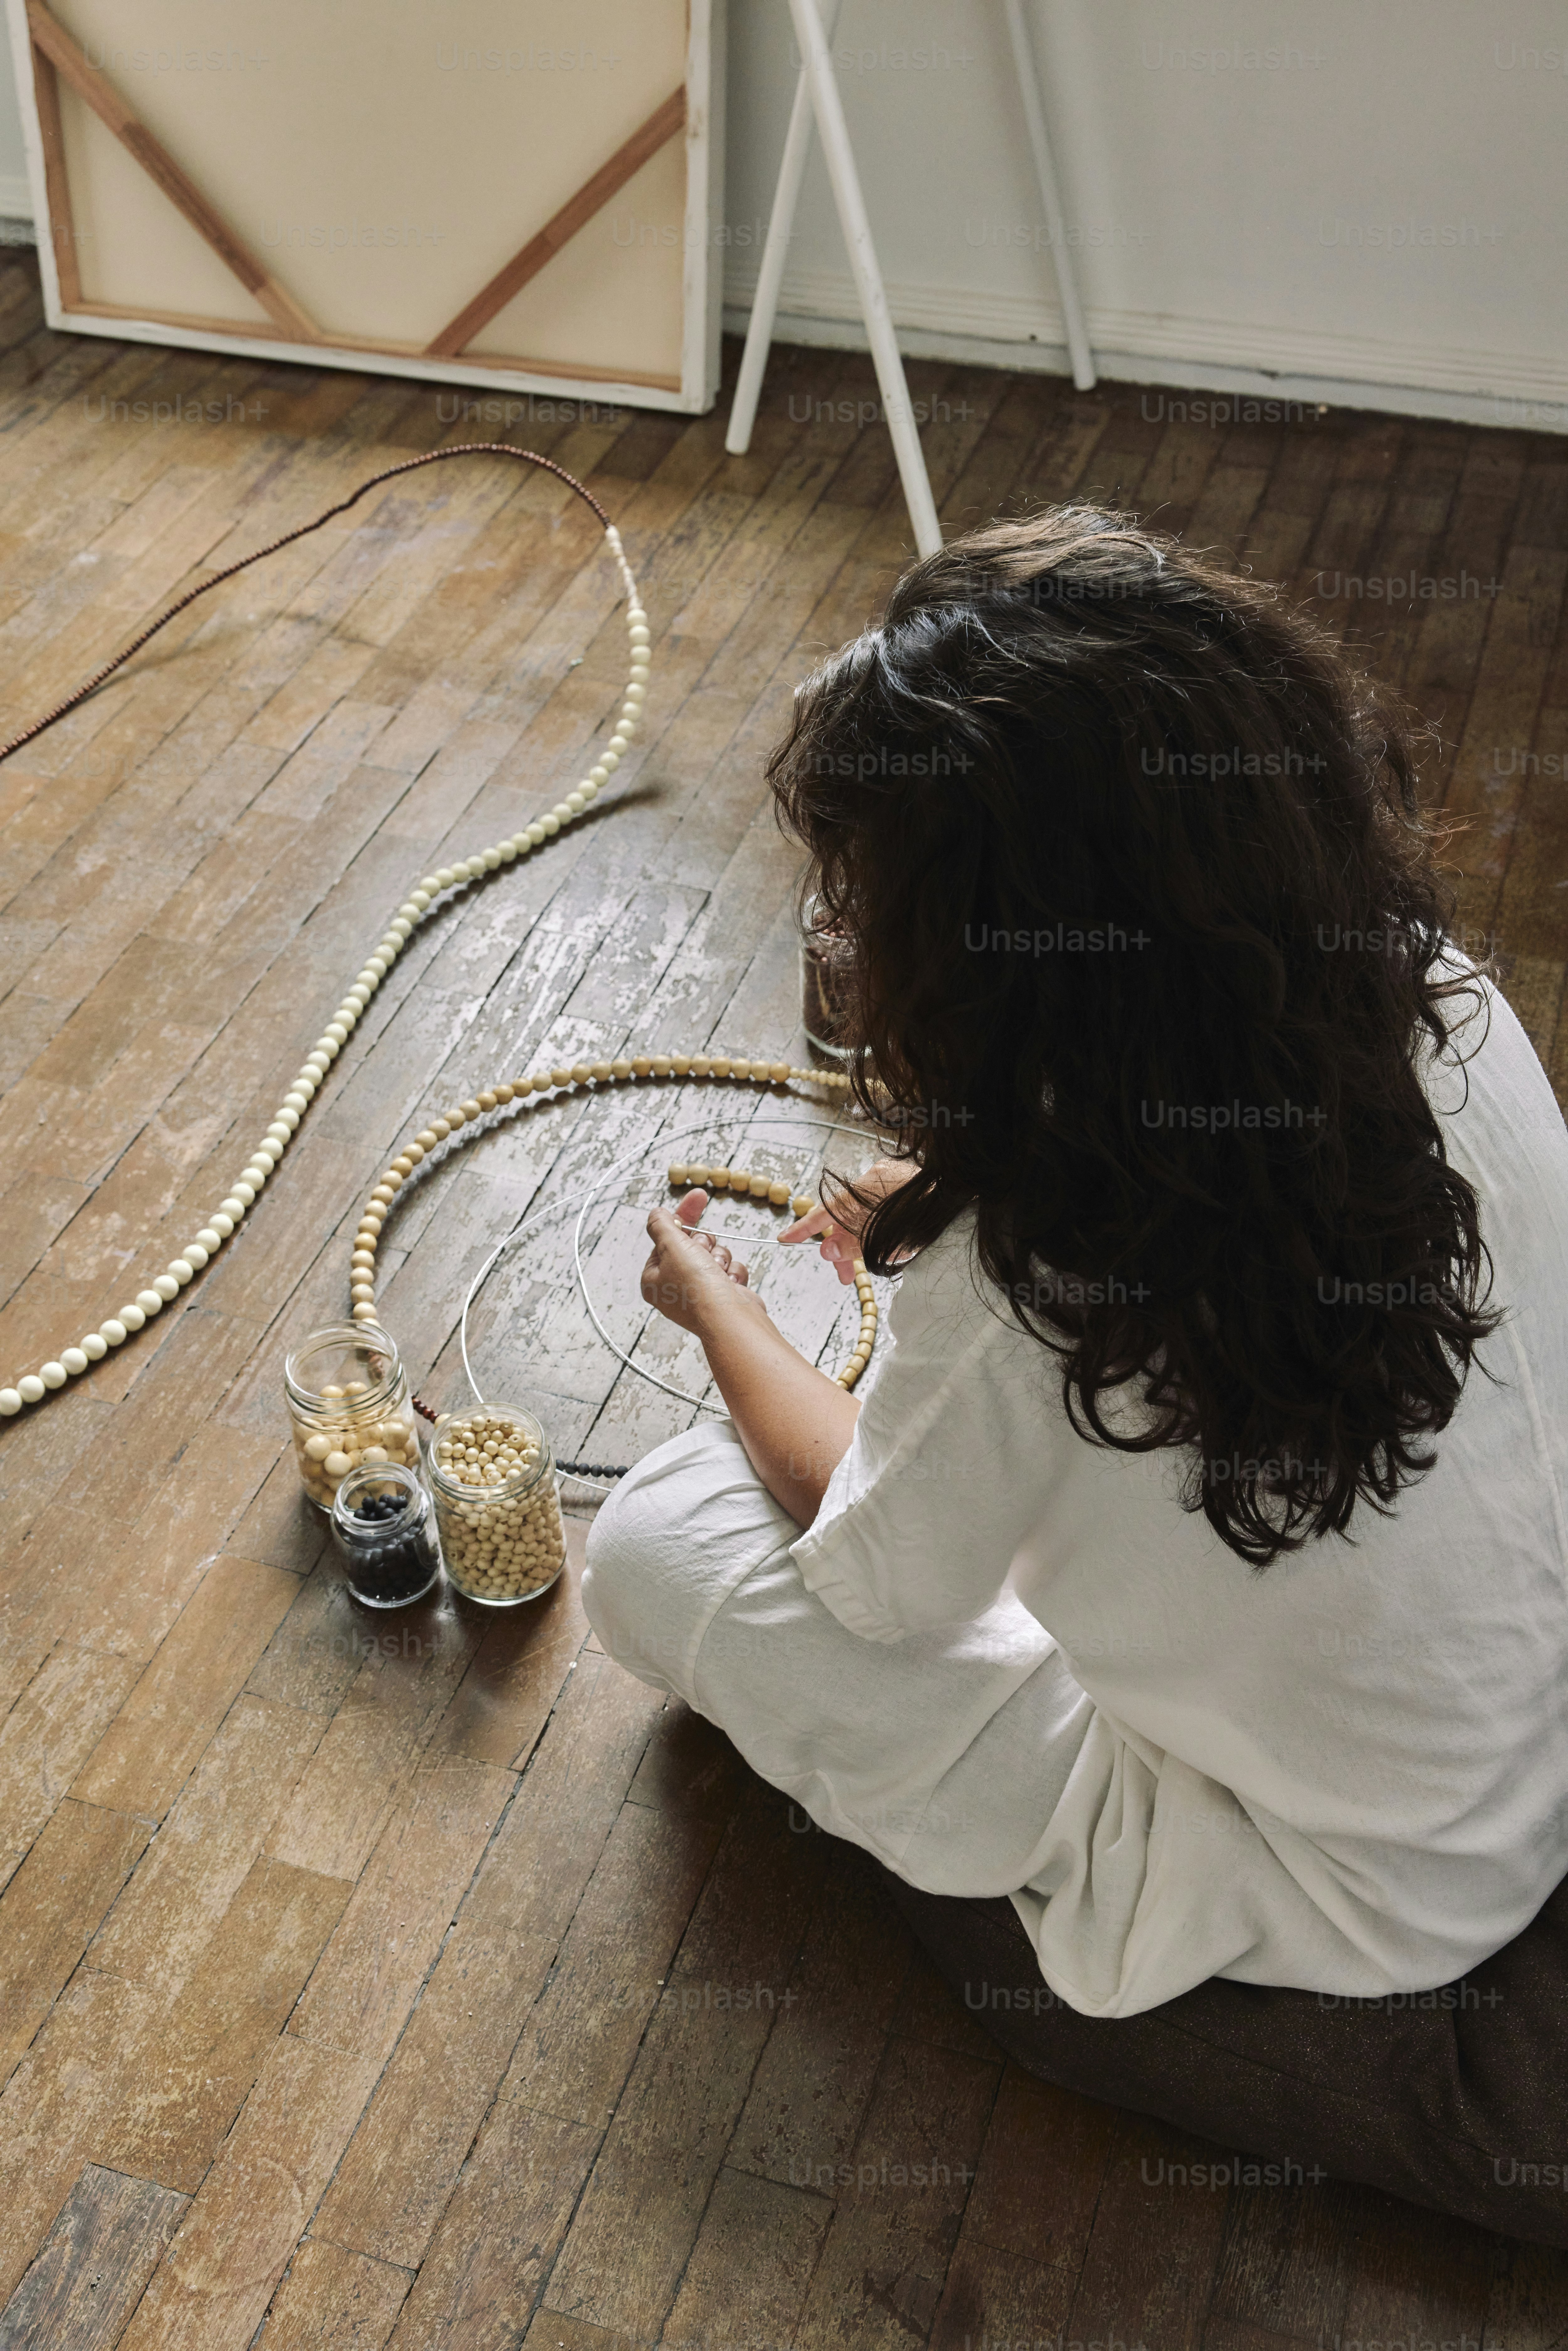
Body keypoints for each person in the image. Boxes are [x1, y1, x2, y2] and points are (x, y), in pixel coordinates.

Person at [582, 506, 1568, 2021]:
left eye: (874, 904)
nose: (851, 936)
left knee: (660, 1541)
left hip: (1363, 1880)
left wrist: (720, 1312)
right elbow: (1237, 1159)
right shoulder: (1448, 999)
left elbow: (882, 1580)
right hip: (1518, 1738)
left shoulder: (1020, 1275)